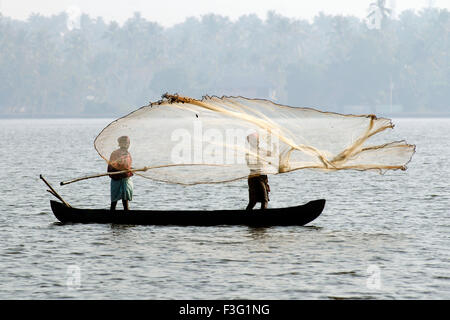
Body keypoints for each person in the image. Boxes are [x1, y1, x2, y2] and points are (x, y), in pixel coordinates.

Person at [245, 132, 270, 210]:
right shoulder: (249, 153)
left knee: (255, 201)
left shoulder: (261, 151)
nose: (258, 142)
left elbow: (271, 155)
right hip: (255, 178)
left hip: (263, 177)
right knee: (261, 200)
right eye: (255, 140)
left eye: (258, 140)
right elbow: (251, 165)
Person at [108, 136, 133, 211]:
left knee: (125, 201)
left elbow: (127, 167)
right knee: (114, 202)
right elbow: (111, 167)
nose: (127, 145)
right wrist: (118, 168)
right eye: (125, 143)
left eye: (128, 143)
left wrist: (134, 169)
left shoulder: (127, 154)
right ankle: (112, 218)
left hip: (126, 179)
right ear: (120, 144)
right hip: (117, 179)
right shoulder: (115, 153)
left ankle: (127, 215)